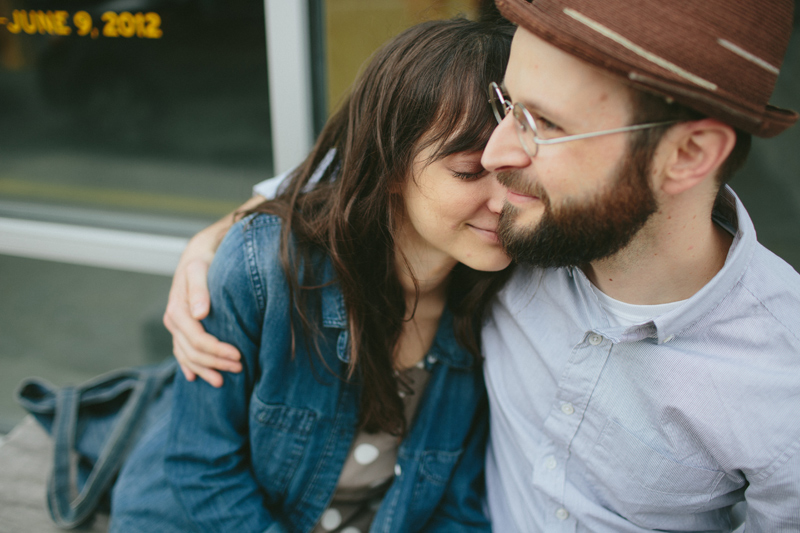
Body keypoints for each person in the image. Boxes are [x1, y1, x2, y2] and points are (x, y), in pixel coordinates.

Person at [167, 0, 800, 530]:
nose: (498, 154)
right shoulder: (516, 241)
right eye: (507, 106)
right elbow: (376, 156)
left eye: (542, 123)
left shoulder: (780, 385)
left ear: (688, 154)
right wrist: (222, 237)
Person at [110, 18, 515, 532]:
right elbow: (201, 465)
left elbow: (457, 505)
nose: (505, 201)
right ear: (391, 166)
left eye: (519, 173)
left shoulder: (494, 300)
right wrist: (206, 243)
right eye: (469, 171)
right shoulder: (266, 270)